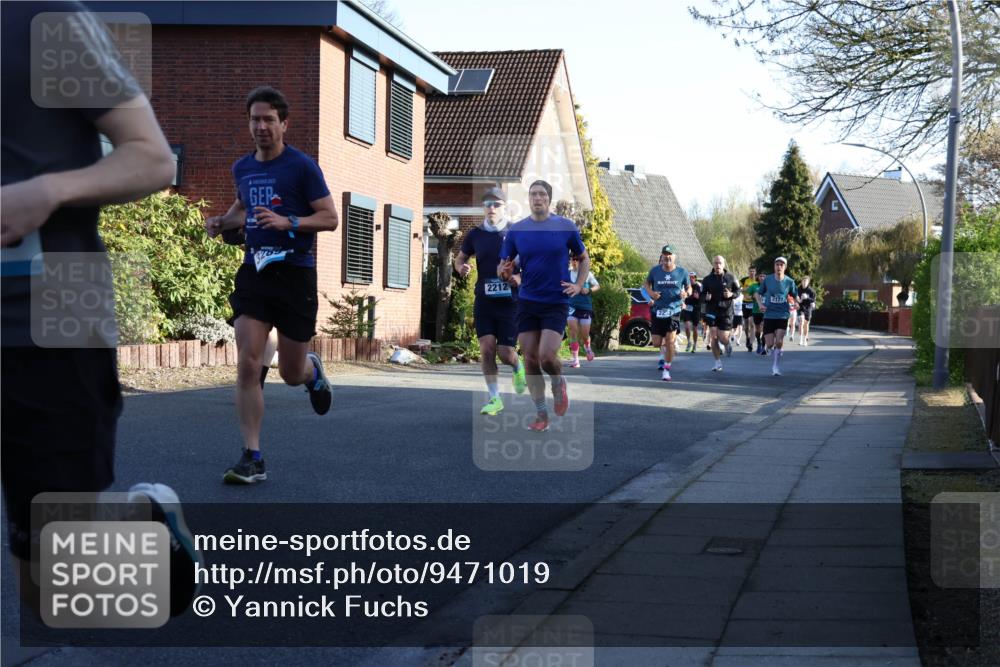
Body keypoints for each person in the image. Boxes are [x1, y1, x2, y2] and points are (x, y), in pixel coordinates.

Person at [1, 1, 197, 615]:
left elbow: (154, 157)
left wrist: (50, 189)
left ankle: (143, 521)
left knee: (50, 584)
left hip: (51, 317)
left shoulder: (45, 21)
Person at [205, 86, 339, 484]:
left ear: (284, 124)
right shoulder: (242, 168)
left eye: (268, 119)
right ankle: (252, 455)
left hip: (296, 275)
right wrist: (221, 222)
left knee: (290, 372)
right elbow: (241, 209)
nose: (261, 126)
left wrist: (290, 222)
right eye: (254, 119)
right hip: (255, 273)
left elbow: (330, 217)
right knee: (248, 361)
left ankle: (312, 372)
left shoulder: (302, 167)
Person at [498, 180, 589, 432]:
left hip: (556, 301)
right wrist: (504, 273)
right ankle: (541, 414)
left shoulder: (565, 227)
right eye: (533, 194)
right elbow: (505, 266)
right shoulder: (517, 230)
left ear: (548, 199)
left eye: (541, 194)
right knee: (529, 358)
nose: (537, 198)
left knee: (547, 356)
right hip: (528, 301)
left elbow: (584, 259)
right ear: (528, 199)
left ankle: (558, 383)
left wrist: (579, 285)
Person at [454, 187, 526, 415]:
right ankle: (495, 398)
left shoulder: (516, 232)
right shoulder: (475, 234)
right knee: (486, 349)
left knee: (505, 353)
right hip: (484, 300)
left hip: (509, 302)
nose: (491, 208)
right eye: (487, 204)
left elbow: (532, 265)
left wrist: (518, 277)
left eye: (496, 204)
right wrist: (460, 267)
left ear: (505, 207)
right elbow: (460, 258)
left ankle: (517, 365)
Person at [644, 245, 691, 381]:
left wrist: (685, 293)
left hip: (674, 309)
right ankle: (668, 348)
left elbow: (689, 287)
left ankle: (666, 369)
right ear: (662, 257)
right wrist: (651, 293)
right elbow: (646, 284)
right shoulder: (655, 271)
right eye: (665, 254)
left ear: (674, 257)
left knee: (669, 340)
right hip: (658, 310)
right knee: (657, 342)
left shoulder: (682, 272)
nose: (667, 257)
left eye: (670, 254)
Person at [756, 257, 798, 376]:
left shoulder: (789, 281)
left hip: (782, 314)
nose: (779, 267)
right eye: (777, 265)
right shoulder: (768, 280)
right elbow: (758, 294)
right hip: (769, 314)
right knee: (769, 344)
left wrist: (796, 302)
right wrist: (760, 304)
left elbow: (795, 295)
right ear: (774, 267)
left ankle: (776, 367)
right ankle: (773, 350)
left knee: (779, 341)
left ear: (785, 267)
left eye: (781, 265)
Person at [700, 255, 741, 372]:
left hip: (726, 311)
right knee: (713, 336)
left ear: (723, 264)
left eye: (720, 263)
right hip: (712, 310)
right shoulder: (707, 279)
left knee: (722, 337)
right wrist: (705, 297)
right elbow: (702, 294)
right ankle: (717, 362)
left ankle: (727, 344)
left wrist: (731, 295)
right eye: (715, 263)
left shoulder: (731, 277)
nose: (718, 265)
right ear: (713, 264)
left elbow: (738, 291)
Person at [566, 256, 600, 368]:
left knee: (585, 335)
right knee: (573, 331)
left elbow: (597, 286)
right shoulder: (567, 274)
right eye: (572, 259)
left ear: (581, 262)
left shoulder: (587, 274)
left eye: (577, 259)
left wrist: (589, 290)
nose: (574, 261)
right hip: (572, 306)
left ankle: (587, 347)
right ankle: (576, 360)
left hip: (585, 307)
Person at [681, 272, 701, 353]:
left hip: (696, 309)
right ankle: (689, 342)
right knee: (687, 326)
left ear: (695, 278)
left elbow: (702, 297)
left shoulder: (699, 286)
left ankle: (695, 345)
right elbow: (682, 296)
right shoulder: (685, 286)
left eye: (693, 277)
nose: (691, 279)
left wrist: (698, 297)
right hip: (687, 308)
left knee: (695, 328)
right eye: (690, 277)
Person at [739, 267, 758, 352]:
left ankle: (751, 343)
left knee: (752, 323)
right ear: (748, 272)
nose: (752, 273)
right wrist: (746, 289)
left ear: (755, 272)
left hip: (754, 303)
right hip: (745, 303)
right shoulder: (744, 280)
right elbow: (739, 290)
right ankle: (747, 337)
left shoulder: (757, 281)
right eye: (750, 271)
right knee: (746, 325)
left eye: (753, 271)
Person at [797, 276, 817, 345]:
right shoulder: (798, 289)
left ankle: (805, 339)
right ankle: (800, 339)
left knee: (806, 324)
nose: (804, 283)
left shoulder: (811, 291)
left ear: (808, 282)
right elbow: (796, 298)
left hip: (808, 308)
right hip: (801, 307)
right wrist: (800, 300)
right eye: (803, 281)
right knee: (801, 321)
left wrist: (807, 297)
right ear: (801, 282)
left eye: (806, 281)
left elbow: (813, 300)